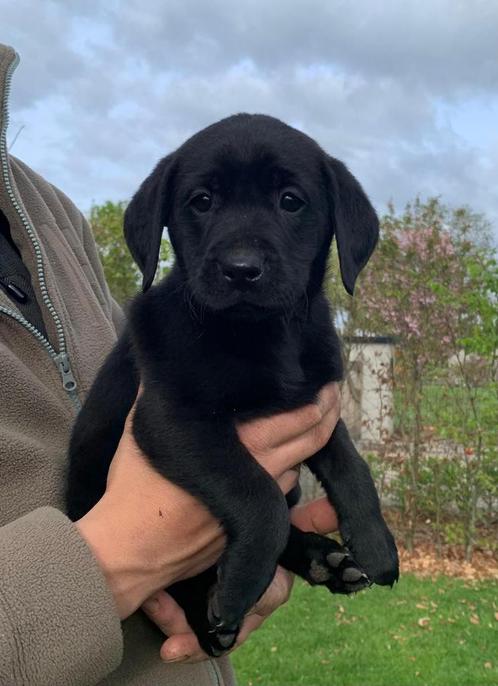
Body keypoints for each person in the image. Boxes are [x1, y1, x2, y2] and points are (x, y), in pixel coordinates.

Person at [0, 43, 341, 686]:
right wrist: (115, 559)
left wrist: (244, 549)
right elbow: (145, 513)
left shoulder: (44, 213)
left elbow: (164, 419)